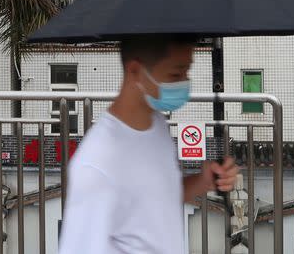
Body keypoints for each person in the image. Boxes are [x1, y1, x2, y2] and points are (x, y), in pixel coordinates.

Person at [58, 36, 239, 253]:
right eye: (175, 73)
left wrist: (203, 180)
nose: (184, 82)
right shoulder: (96, 164)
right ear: (135, 71)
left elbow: (157, 199)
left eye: (186, 71)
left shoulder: (157, 125)